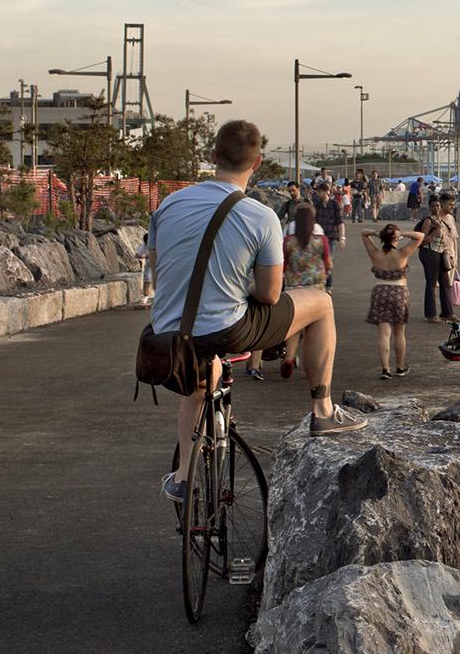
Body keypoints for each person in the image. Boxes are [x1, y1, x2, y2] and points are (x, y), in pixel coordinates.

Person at [151, 120, 359, 503]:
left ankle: (183, 476)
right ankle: (323, 409)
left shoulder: (169, 204)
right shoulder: (260, 216)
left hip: (169, 332)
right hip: (228, 328)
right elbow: (269, 294)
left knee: (199, 383)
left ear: (212, 157)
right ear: (258, 162)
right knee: (323, 303)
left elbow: (159, 269)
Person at [268, 203, 332, 380]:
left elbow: (283, 263)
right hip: (316, 289)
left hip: (293, 289)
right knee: (313, 329)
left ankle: (288, 358)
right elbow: (328, 264)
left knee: (295, 328)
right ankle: (310, 367)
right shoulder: (321, 241)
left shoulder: (288, 242)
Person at [361, 224, 422, 379]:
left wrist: (377, 233)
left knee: (384, 333)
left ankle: (385, 369)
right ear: (396, 238)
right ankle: (400, 366)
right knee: (399, 332)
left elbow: (363, 233)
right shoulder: (402, 253)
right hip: (399, 291)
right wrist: (402, 234)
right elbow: (419, 236)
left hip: (380, 291)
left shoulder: (375, 253)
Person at [415, 193, 460, 323]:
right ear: (429, 207)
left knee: (445, 283)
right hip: (429, 252)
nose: (436, 208)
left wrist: (452, 255)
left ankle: (447, 313)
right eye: (433, 206)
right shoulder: (429, 220)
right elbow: (422, 240)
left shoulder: (443, 219)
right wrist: (435, 233)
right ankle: (431, 314)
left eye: (437, 205)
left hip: (441, 253)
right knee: (432, 283)